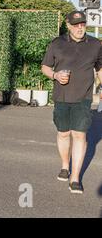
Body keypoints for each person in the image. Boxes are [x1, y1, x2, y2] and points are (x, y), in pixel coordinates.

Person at [41, 10, 102, 195]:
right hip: (61, 97)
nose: (79, 28)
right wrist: (55, 75)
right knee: (63, 134)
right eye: (76, 25)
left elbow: (100, 68)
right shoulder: (57, 43)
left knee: (79, 136)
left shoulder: (96, 44)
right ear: (68, 25)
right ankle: (65, 165)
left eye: (82, 24)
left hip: (83, 98)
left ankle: (75, 177)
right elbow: (45, 66)